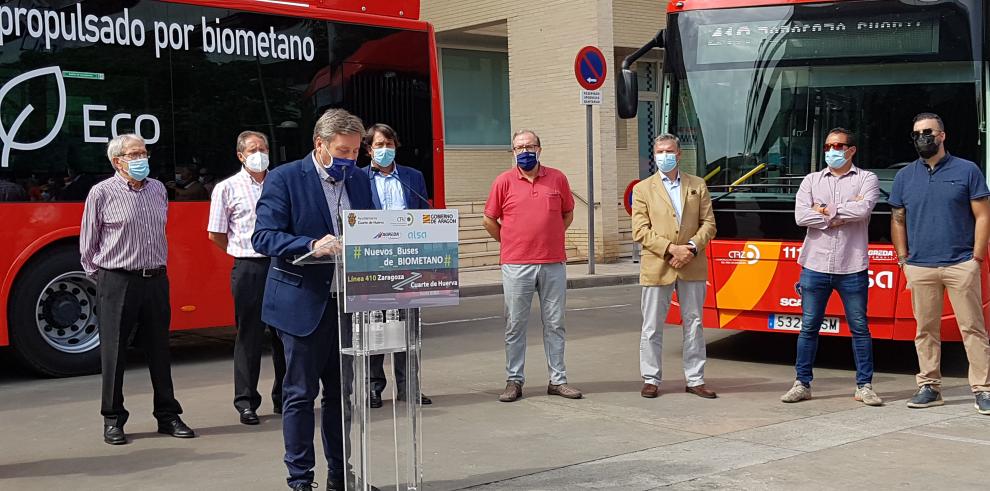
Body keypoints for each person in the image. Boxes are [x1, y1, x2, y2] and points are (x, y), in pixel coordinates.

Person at [252, 108, 378, 491]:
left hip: (348, 302)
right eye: (343, 151)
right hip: (302, 303)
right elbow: (263, 236)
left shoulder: (357, 179)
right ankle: (301, 481)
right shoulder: (285, 178)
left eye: (356, 152)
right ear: (319, 144)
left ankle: (340, 478)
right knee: (301, 395)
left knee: (342, 396)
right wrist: (310, 245)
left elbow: (371, 227)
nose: (350, 159)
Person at [79, 134, 195, 445]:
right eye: (133, 154)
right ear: (117, 161)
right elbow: (87, 247)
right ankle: (113, 419)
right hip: (118, 280)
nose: (141, 158)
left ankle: (168, 415)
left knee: (159, 349)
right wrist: (105, 280)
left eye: (143, 152)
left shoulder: (157, 189)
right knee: (114, 352)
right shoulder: (101, 193)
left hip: (155, 279)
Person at [889, 112, 990, 415]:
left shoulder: (968, 170)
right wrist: (903, 259)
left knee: (973, 329)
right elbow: (898, 219)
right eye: (917, 133)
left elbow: (983, 215)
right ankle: (930, 387)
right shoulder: (905, 176)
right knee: (925, 329)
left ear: (942, 135)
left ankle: (983, 389)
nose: (923, 138)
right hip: (919, 265)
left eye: (928, 132)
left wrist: (976, 258)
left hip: (960, 263)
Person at [780, 128, 882, 406]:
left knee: (860, 328)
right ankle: (802, 383)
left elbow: (863, 210)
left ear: (851, 150)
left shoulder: (867, 179)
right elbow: (801, 216)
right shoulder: (811, 180)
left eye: (837, 146)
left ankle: (864, 386)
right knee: (809, 326)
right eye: (827, 146)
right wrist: (838, 213)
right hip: (815, 265)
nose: (831, 151)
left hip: (852, 267)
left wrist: (825, 210)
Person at [483, 129, 582, 402]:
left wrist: (551, 237)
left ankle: (558, 380)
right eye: (519, 147)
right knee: (515, 324)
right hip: (516, 264)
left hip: (553, 263)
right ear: (513, 152)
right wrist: (510, 241)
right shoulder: (503, 181)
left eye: (530, 146)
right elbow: (489, 219)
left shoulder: (557, 179)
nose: (525, 151)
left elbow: (568, 212)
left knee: (555, 323)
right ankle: (514, 380)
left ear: (539, 148)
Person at [208, 131, 287, 425]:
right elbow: (215, 233)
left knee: (284, 335)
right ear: (241, 155)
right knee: (249, 336)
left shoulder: (280, 183)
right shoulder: (227, 188)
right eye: (253, 149)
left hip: (281, 264)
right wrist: (242, 250)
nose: (260, 153)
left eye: (264, 148)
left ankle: (285, 397)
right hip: (249, 268)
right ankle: (246, 401)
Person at [632, 133, 717, 399]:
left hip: (691, 263)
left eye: (669, 151)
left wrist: (690, 248)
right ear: (654, 155)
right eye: (659, 152)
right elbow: (640, 230)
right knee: (652, 326)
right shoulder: (642, 189)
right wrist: (670, 249)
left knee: (693, 323)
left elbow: (709, 224)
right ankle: (651, 378)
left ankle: (695, 379)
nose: (664, 156)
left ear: (679, 155)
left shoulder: (697, 185)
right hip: (658, 264)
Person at [361, 123, 433, 408]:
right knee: (375, 325)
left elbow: (424, 215)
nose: (384, 150)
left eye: (389, 144)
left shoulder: (412, 177)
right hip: (372, 263)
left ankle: (409, 386)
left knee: (408, 326)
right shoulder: (357, 178)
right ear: (368, 150)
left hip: (407, 261)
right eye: (379, 145)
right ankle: (373, 386)